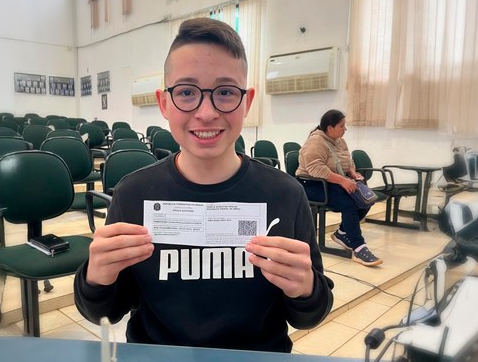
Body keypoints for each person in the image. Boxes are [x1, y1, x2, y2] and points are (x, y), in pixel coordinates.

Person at [74, 18, 333, 353]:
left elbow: (309, 315)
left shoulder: (285, 194)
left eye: (225, 92)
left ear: (247, 101)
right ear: (164, 103)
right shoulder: (133, 194)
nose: (206, 112)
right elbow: (104, 311)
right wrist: (95, 278)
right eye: (186, 92)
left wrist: (308, 288)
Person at [296, 109, 383, 266]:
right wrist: (343, 181)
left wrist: (352, 173)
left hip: (332, 181)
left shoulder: (340, 141)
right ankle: (359, 247)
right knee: (348, 203)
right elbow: (316, 169)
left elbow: (347, 160)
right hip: (313, 184)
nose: (345, 129)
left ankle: (342, 233)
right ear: (330, 128)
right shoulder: (316, 142)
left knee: (365, 199)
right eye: (342, 126)